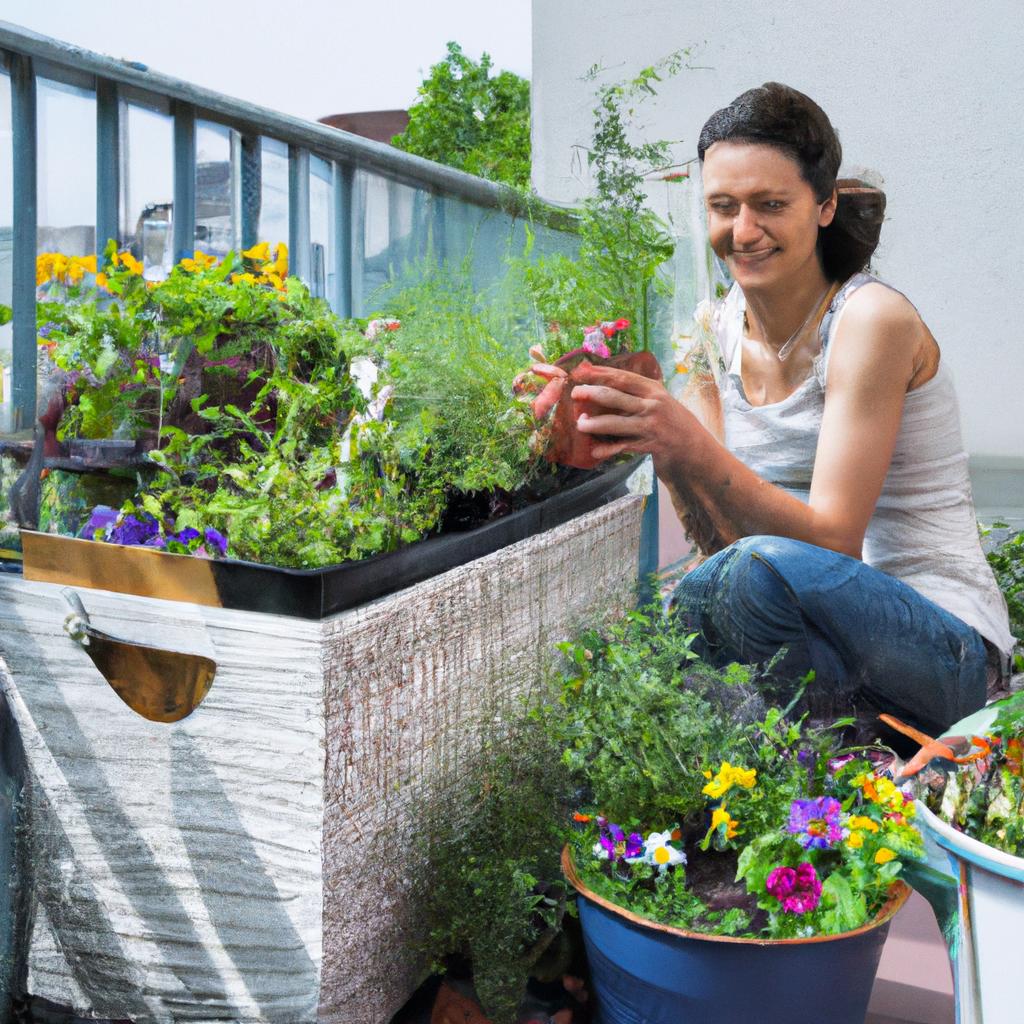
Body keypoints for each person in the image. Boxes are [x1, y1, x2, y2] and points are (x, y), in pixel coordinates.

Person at [569, 82, 1013, 737]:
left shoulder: (869, 320)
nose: (742, 232)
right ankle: (820, 761)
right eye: (722, 206)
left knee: (741, 576)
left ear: (825, 204)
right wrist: (667, 454)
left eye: (770, 205)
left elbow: (836, 540)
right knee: (673, 634)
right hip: (825, 644)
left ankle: (808, 758)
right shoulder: (715, 330)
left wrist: (692, 446)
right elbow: (715, 542)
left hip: (946, 650)